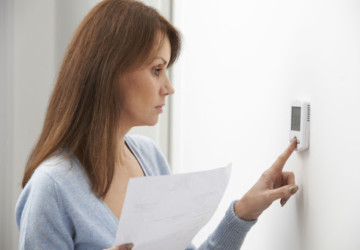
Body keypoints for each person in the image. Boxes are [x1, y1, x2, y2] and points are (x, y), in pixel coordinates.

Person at [15, 0, 299, 249]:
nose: (168, 88)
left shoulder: (149, 157)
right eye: (156, 70)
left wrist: (244, 212)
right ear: (110, 71)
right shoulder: (50, 188)